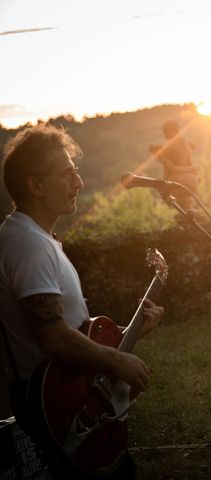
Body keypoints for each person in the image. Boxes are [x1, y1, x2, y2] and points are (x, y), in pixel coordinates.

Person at [0, 124, 165, 479]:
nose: (79, 183)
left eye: (76, 172)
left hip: (72, 395)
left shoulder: (36, 238)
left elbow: (72, 332)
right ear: (36, 185)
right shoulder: (28, 244)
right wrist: (117, 360)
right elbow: (53, 337)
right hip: (59, 407)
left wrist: (131, 331)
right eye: (68, 174)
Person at [149, 120, 198, 209]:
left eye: (165, 132)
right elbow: (194, 145)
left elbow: (170, 166)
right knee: (187, 204)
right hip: (192, 180)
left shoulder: (169, 146)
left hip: (178, 182)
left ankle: (185, 216)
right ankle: (189, 213)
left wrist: (156, 153)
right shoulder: (186, 141)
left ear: (169, 132)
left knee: (181, 204)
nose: (165, 136)